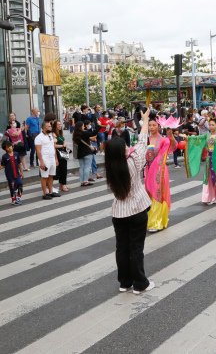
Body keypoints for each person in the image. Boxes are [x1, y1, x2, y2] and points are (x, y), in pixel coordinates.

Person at [105, 107, 155, 295]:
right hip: (137, 210)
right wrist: (144, 120)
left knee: (122, 248)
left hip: (119, 213)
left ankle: (125, 282)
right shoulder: (134, 161)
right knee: (136, 248)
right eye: (125, 146)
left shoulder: (110, 168)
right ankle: (140, 283)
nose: (128, 147)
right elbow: (142, 141)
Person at [184, 117, 216, 204]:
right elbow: (197, 138)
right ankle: (210, 197)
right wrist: (188, 138)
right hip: (208, 158)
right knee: (209, 177)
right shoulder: (207, 135)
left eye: (213, 125)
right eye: (210, 125)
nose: (211, 126)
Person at [145, 114, 176, 232]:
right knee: (149, 195)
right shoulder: (146, 139)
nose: (151, 127)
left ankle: (156, 222)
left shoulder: (163, 140)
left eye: (154, 125)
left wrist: (171, 136)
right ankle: (152, 220)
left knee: (157, 194)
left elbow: (173, 147)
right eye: (150, 125)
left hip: (159, 171)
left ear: (158, 126)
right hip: (148, 170)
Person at [34, 119, 60, 200]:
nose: (51, 127)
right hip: (44, 159)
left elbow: (53, 147)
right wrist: (41, 162)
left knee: (51, 175)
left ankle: (51, 192)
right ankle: (45, 193)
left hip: (52, 158)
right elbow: (38, 151)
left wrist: (56, 158)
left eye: (50, 126)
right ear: (44, 128)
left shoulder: (50, 136)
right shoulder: (38, 138)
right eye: (49, 126)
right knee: (44, 176)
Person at [73, 121, 98, 187]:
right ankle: (85, 181)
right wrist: (98, 127)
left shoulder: (75, 134)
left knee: (81, 167)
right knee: (87, 167)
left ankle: (82, 181)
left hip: (80, 153)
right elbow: (93, 133)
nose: (84, 126)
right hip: (87, 152)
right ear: (80, 126)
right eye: (83, 125)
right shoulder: (84, 133)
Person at [1, 140, 24, 205]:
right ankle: (13, 199)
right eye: (7, 147)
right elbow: (2, 165)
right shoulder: (4, 156)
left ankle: (18, 198)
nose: (9, 148)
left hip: (17, 174)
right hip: (10, 176)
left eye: (10, 146)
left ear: (12, 146)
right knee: (12, 188)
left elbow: (19, 164)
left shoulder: (16, 154)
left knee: (20, 184)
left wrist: (21, 172)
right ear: (5, 149)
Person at [53, 120, 70, 192]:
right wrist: (62, 145)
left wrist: (65, 144)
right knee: (62, 169)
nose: (60, 126)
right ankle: (63, 185)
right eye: (58, 125)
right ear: (55, 126)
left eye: (60, 124)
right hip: (58, 153)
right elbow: (53, 145)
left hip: (63, 152)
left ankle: (62, 184)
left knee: (64, 169)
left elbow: (64, 140)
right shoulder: (53, 134)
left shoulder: (60, 133)